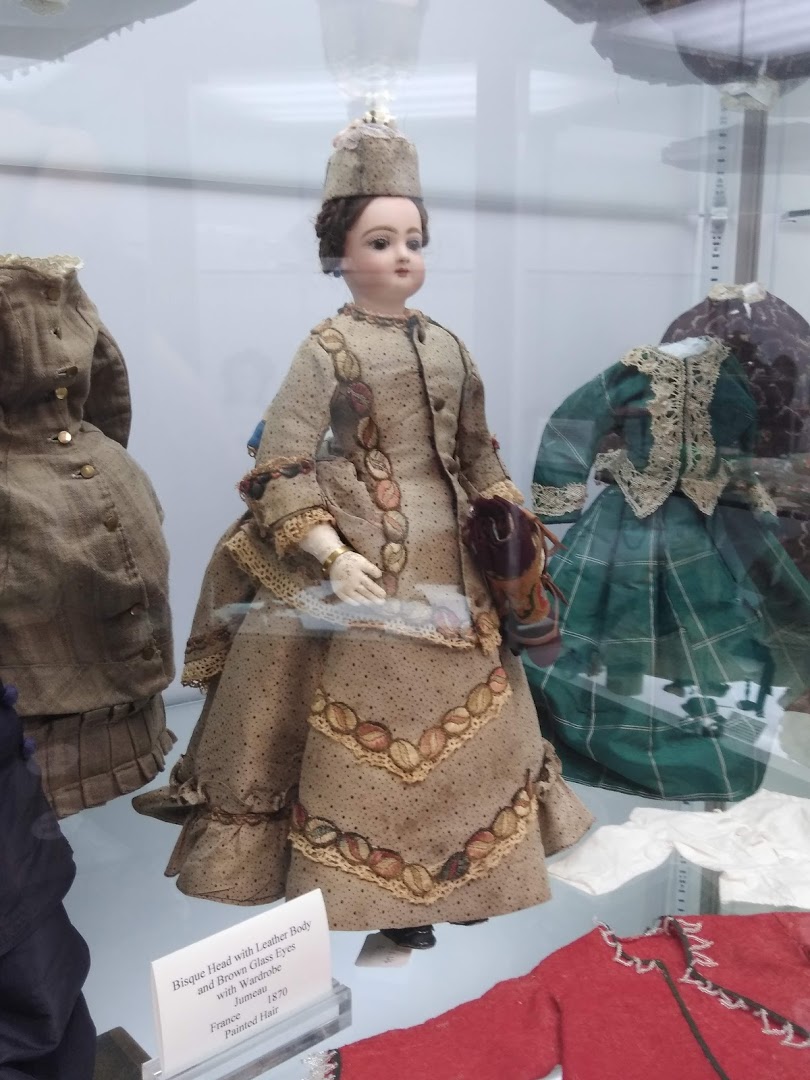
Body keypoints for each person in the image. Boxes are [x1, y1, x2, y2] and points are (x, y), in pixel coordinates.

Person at [135, 115, 592, 949]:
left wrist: (509, 516)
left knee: (476, 735)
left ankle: (466, 877)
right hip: (361, 567)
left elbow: (478, 451)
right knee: (351, 733)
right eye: (380, 242)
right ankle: (365, 900)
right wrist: (329, 551)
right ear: (339, 255)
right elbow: (280, 460)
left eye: (414, 240)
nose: (402, 256)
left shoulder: (449, 344)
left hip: (454, 567)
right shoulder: (327, 349)